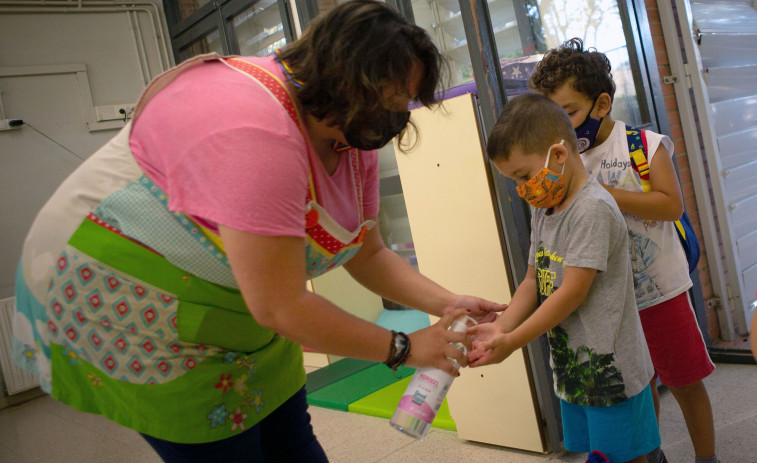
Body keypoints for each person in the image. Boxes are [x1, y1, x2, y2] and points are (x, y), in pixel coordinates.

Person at [10, 2, 503, 461]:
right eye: (389, 102)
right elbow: (281, 305)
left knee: (291, 440)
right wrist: (405, 347)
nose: (395, 119)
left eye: (405, 104)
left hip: (242, 308)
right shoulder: (254, 127)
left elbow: (366, 252)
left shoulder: (350, 138)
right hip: (132, 303)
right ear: (342, 81)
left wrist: (445, 303)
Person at [528, 38, 717, 463]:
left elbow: (671, 205)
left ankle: (709, 458)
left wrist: (602, 193)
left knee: (685, 382)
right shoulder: (563, 161)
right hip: (610, 303)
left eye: (569, 113)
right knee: (636, 387)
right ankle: (651, 456)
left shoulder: (643, 146)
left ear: (601, 104)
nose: (563, 127)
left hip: (660, 292)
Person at [467, 93, 659, 463]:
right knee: (598, 455)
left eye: (524, 177)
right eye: (515, 182)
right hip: (575, 370)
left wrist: (514, 341)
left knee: (624, 455)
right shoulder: (546, 206)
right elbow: (531, 282)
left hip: (611, 373)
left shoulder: (592, 209)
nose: (523, 190)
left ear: (558, 155)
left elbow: (571, 293)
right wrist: (501, 328)